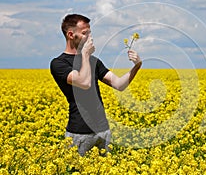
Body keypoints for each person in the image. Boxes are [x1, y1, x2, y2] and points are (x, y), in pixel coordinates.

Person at [50, 14, 142, 156]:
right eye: (84, 33)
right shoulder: (59, 64)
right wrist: (85, 55)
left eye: (90, 32)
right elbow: (84, 82)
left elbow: (119, 85)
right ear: (70, 35)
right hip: (79, 133)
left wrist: (137, 66)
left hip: (103, 131)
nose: (89, 37)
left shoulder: (94, 61)